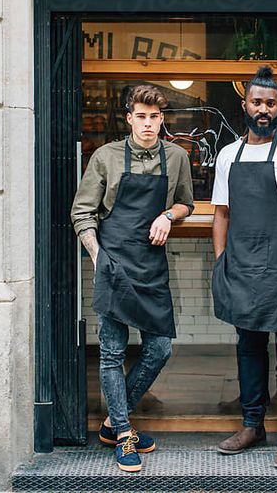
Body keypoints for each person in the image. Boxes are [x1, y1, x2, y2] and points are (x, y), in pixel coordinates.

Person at [71, 84, 194, 472]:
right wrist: (97, 256)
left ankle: (111, 422)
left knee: (160, 349)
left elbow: (186, 202)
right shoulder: (105, 157)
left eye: (154, 117)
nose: (148, 124)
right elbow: (82, 213)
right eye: (140, 116)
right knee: (111, 352)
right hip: (114, 264)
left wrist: (167, 216)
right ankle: (124, 433)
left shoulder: (176, 158)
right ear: (129, 118)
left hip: (151, 266)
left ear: (162, 119)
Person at [211, 66, 277, 468]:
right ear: (245, 105)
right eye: (257, 102)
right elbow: (221, 214)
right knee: (249, 348)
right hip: (241, 271)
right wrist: (222, 262)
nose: (263, 109)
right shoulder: (228, 155)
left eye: (270, 103)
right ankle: (253, 425)